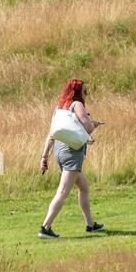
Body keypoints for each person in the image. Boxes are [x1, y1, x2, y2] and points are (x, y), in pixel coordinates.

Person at [38, 78, 105, 239]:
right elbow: (88, 128)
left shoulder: (60, 108)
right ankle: (45, 227)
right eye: (85, 91)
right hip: (72, 152)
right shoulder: (77, 105)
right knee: (62, 191)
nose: (86, 94)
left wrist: (44, 156)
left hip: (60, 151)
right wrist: (93, 124)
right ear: (78, 92)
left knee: (84, 187)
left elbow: (51, 134)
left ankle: (90, 225)